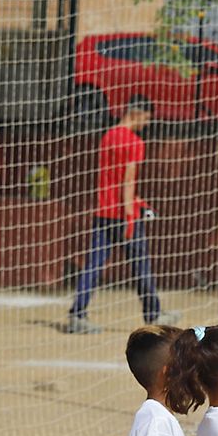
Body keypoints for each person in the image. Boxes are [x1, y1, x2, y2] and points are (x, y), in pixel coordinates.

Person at [68, 100, 171, 334]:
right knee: (141, 266)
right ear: (137, 113)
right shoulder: (135, 142)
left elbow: (111, 178)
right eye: (147, 118)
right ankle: (154, 314)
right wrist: (130, 214)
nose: (147, 123)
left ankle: (77, 314)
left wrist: (139, 202)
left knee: (93, 264)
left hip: (103, 212)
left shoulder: (108, 136)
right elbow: (128, 181)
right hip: (123, 215)